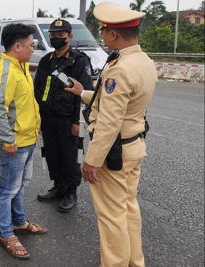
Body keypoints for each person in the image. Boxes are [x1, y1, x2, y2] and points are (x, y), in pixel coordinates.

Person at [66, 3, 158, 266]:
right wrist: (82, 92)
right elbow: (114, 104)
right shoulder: (144, 62)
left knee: (111, 216)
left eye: (103, 30)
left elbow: (108, 121)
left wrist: (92, 160)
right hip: (133, 147)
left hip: (112, 154)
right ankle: (134, 261)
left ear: (114, 34)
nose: (102, 35)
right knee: (129, 208)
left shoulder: (119, 68)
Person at [0, 23, 47, 260]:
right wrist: (7, 140)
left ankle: (19, 221)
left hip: (27, 139)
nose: (34, 49)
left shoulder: (20, 66)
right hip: (15, 144)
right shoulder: (6, 71)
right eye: (31, 45)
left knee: (21, 184)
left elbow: (22, 105)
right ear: (18, 46)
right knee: (7, 189)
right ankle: (6, 233)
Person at [34, 18, 92, 212]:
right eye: (53, 35)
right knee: (52, 153)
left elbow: (83, 94)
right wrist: (38, 118)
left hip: (68, 120)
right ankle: (58, 187)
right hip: (48, 118)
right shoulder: (45, 61)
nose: (56, 38)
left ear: (70, 37)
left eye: (61, 35)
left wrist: (77, 121)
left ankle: (70, 191)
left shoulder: (79, 61)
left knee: (69, 156)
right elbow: (38, 90)